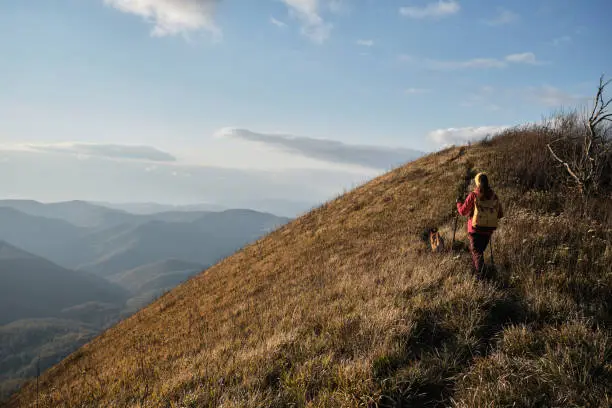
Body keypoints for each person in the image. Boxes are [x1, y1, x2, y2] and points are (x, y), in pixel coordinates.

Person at [456, 172, 503, 275]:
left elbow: (463, 211)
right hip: (488, 231)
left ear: (477, 183)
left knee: (477, 254)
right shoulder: (494, 196)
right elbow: (500, 214)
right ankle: (477, 272)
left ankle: (481, 277)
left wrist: (459, 203)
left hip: (475, 230)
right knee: (478, 253)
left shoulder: (473, 195)